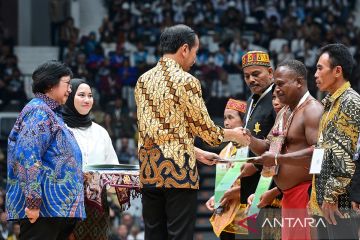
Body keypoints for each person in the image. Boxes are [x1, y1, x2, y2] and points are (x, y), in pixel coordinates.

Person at [134, 24, 248, 240]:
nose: (195, 58)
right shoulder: (187, 81)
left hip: (149, 169)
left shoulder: (142, 81)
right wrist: (234, 135)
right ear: (184, 49)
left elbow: (156, 133)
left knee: (154, 234)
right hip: (178, 171)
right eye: (195, 52)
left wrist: (198, 153)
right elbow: (208, 132)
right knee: (179, 235)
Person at [6, 61, 85, 239]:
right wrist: (33, 202)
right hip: (43, 210)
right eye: (67, 83)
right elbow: (27, 156)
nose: (70, 89)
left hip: (55, 209)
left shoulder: (50, 112)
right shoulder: (38, 112)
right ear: (50, 84)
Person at [247, 59, 323, 240]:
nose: (277, 89)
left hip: (305, 195)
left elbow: (319, 152)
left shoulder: (311, 110)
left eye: (281, 84)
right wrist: (247, 139)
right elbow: (269, 147)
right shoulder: (285, 111)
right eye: (275, 84)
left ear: (299, 82)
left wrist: (277, 160)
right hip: (288, 196)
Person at [309, 43, 360, 239]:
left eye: (320, 68)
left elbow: (346, 155)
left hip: (340, 198)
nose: (315, 74)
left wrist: (331, 195)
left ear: (337, 71)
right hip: (324, 195)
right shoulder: (330, 103)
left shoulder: (351, 101)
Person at [62, 78, 119, 240]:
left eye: (90, 96)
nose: (87, 100)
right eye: (81, 95)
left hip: (97, 208)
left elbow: (113, 168)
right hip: (65, 205)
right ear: (69, 97)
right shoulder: (59, 129)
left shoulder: (101, 132)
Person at [205, 98, 247, 240]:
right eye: (224, 118)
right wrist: (215, 197)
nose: (226, 123)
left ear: (244, 121)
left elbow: (260, 184)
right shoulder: (224, 152)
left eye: (231, 117)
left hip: (247, 210)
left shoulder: (252, 149)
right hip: (227, 211)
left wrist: (232, 193)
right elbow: (221, 186)